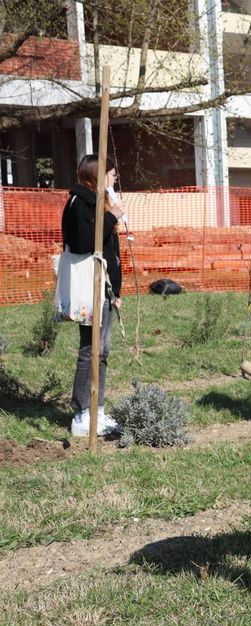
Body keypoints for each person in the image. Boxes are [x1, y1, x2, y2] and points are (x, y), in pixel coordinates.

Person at [62, 154, 124, 438]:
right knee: (91, 349)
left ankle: (96, 409)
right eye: (110, 173)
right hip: (89, 287)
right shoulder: (80, 203)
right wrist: (112, 217)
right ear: (96, 175)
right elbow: (84, 243)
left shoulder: (99, 203)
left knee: (103, 350)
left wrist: (117, 292)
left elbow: (110, 250)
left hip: (106, 289)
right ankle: (81, 414)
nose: (113, 178)